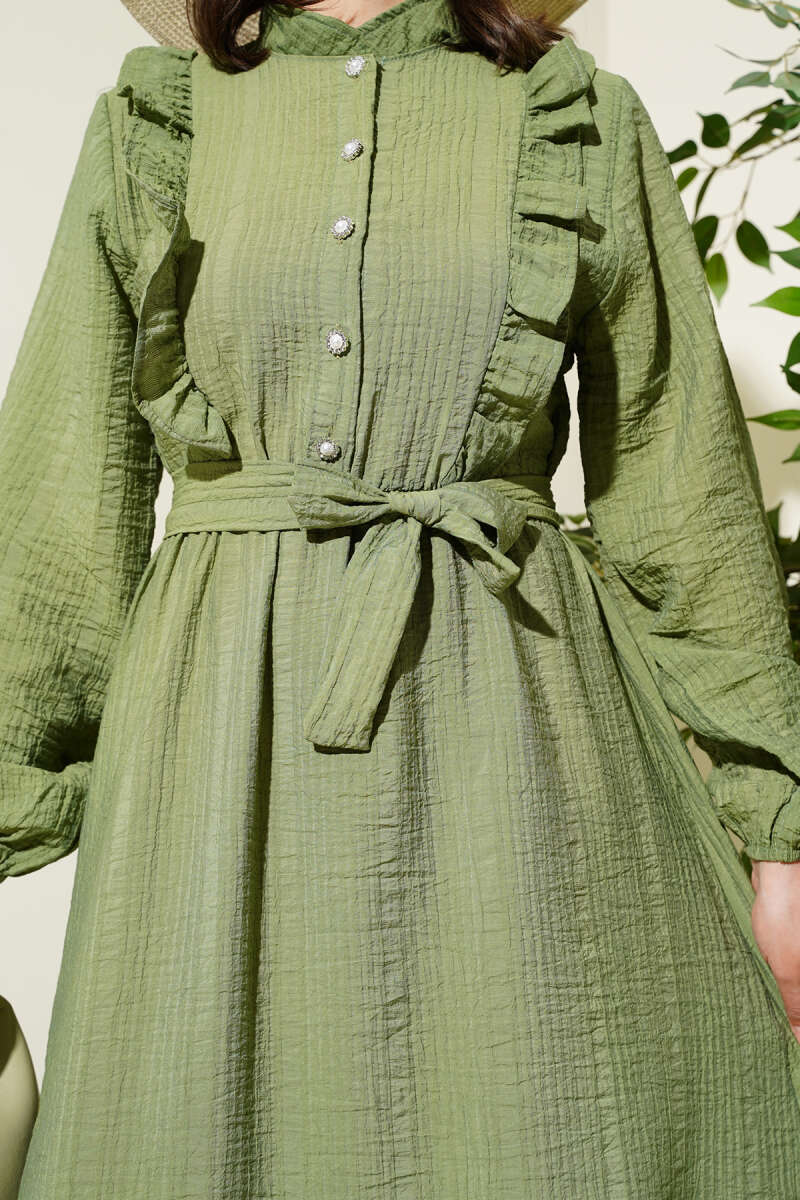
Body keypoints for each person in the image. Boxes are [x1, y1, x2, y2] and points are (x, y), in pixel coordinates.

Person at [3, 0, 800, 1194]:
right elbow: (62, 502)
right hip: (217, 746)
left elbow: (679, 489)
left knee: (545, 1117)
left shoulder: (574, 115)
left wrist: (781, 836)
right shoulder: (153, 120)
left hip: (518, 735)